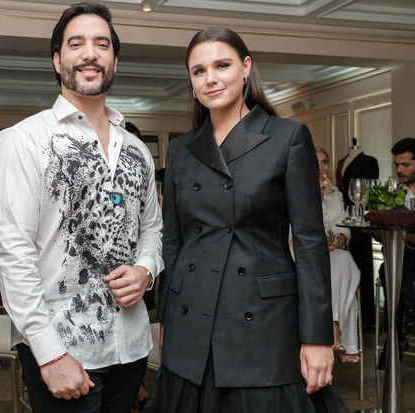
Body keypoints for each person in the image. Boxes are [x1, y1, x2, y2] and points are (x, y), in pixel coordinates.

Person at [157, 27, 348, 413]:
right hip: (190, 319)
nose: (210, 79)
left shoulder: (287, 137)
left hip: (262, 320)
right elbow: (173, 243)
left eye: (222, 65)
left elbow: (310, 243)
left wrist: (317, 338)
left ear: (246, 67)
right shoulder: (180, 150)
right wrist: (167, 322)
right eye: (198, 71)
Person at [0, 3, 163, 412]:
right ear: (57, 59)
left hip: (132, 349)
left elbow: (152, 229)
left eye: (102, 44)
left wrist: (146, 270)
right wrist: (49, 353)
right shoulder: (22, 140)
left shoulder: (137, 149)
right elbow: (13, 255)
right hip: (63, 352)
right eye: (76, 43)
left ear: (114, 60)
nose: (90, 53)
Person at [317, 148, 361, 364]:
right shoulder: (294, 192)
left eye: (325, 162)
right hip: (306, 255)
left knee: (343, 264)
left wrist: (341, 239)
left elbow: (344, 224)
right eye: (316, 162)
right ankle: (345, 341)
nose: (322, 167)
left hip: (333, 253)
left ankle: (335, 334)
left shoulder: (336, 193)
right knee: (345, 268)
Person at [376, 137, 415, 369]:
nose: (399, 170)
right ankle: (408, 317)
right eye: (397, 165)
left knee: (394, 267)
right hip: (402, 257)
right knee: (390, 266)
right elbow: (383, 233)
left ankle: (396, 336)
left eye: (405, 165)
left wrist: (400, 235)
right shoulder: (392, 192)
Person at [336, 139, 379, 329]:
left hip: (361, 219)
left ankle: (368, 318)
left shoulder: (370, 162)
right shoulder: (341, 162)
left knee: (363, 265)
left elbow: (370, 191)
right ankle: (348, 316)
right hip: (344, 217)